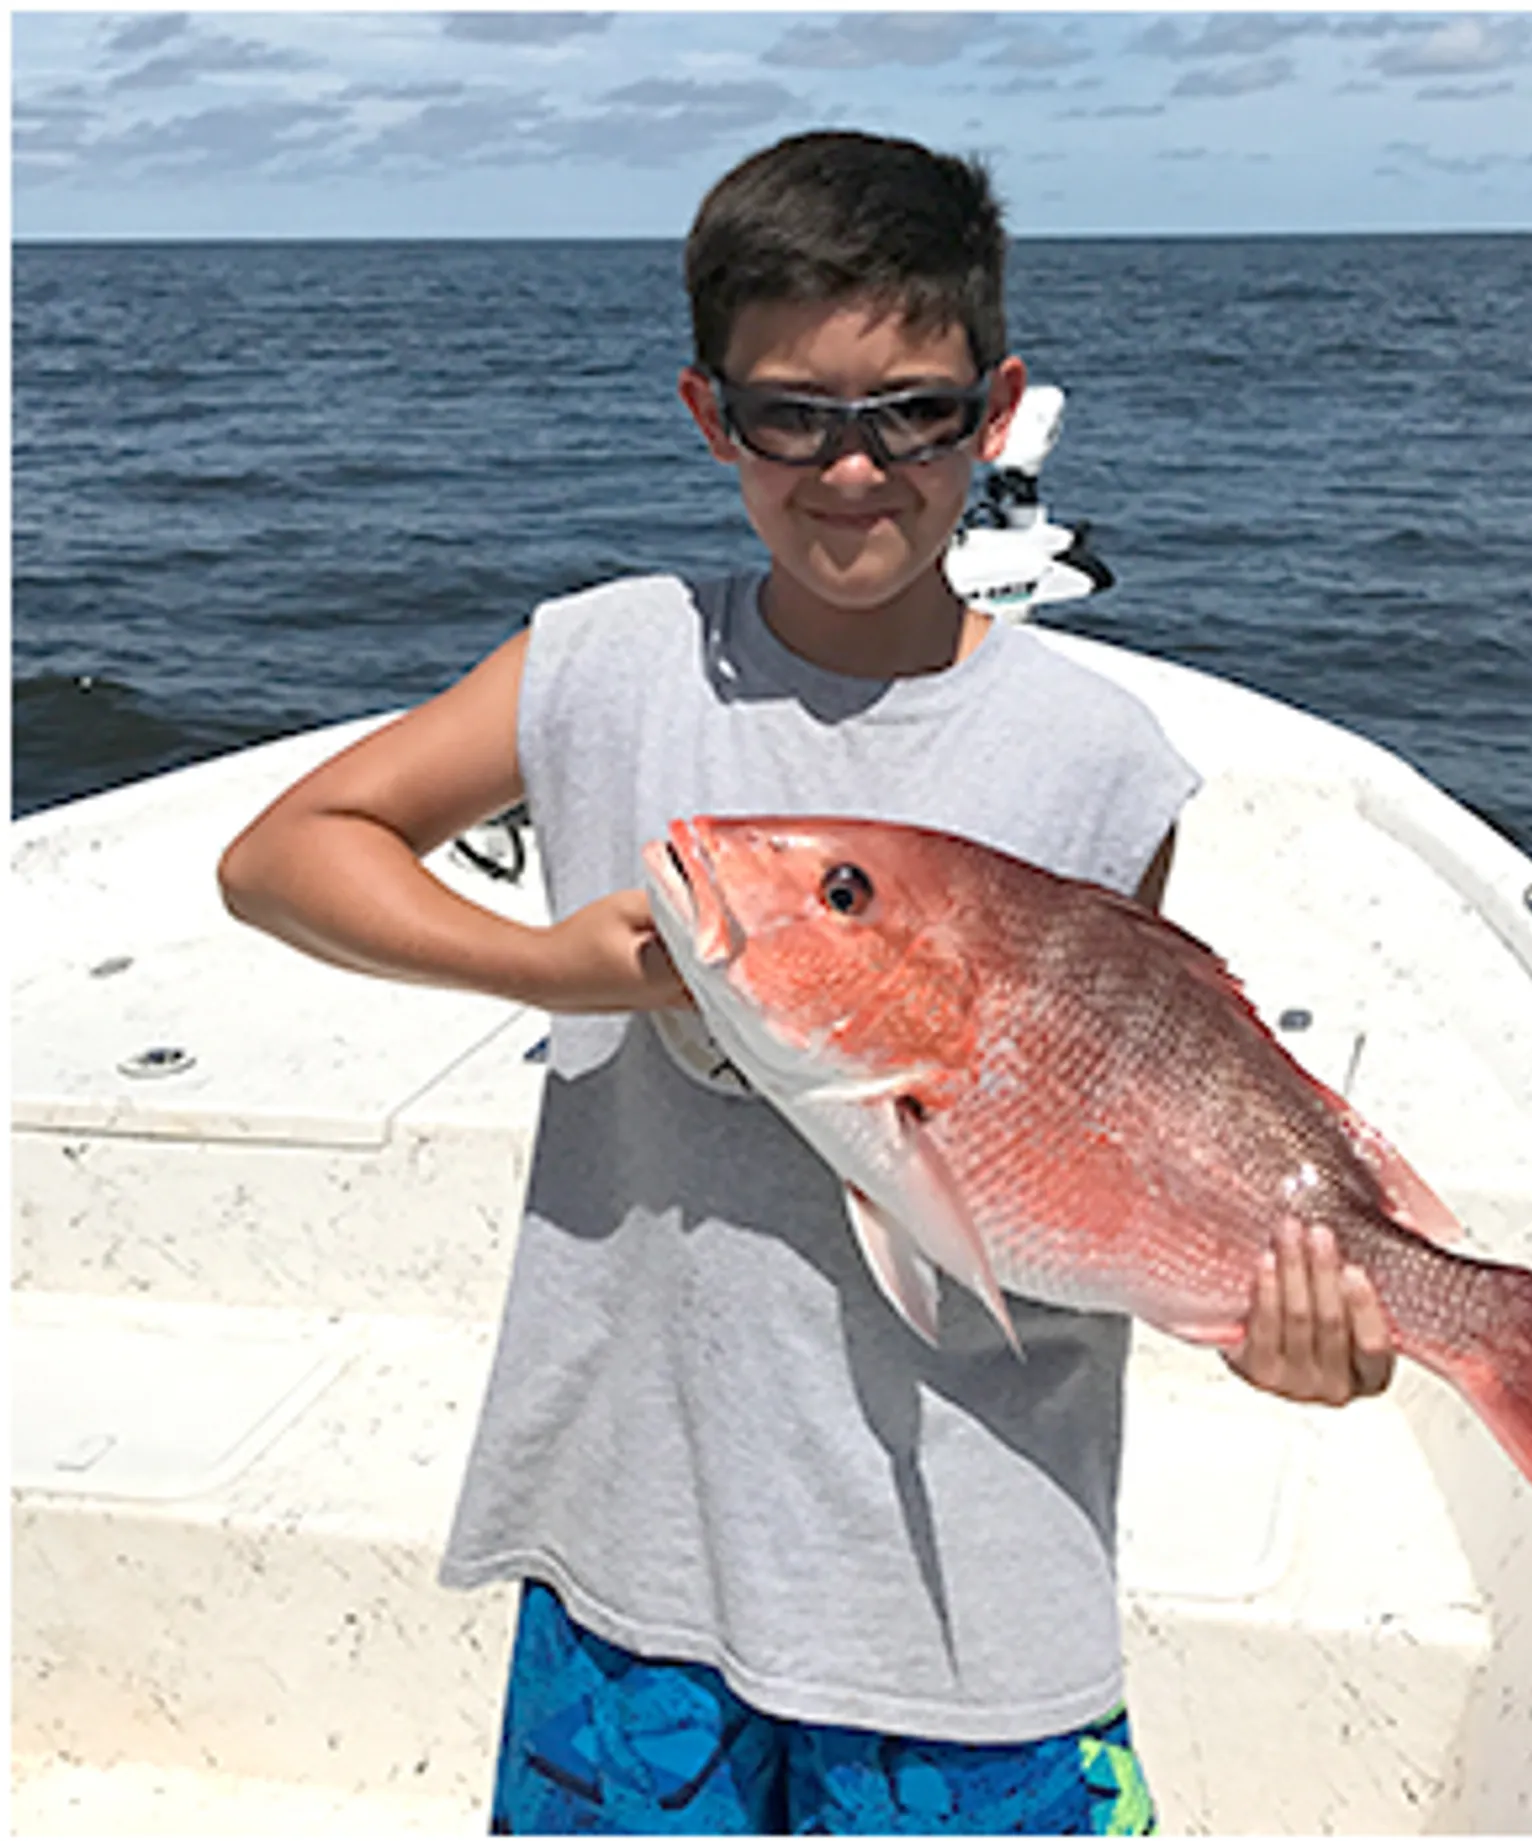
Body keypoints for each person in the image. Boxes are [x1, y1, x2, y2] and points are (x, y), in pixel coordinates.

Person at [219, 129, 1395, 1837]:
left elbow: (1105, 1147)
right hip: (635, 1553)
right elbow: (284, 856)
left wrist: (1286, 1331)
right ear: (713, 417)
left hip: (968, 1602)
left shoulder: (1100, 761)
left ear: (994, 413)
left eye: (914, 413)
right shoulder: (605, 665)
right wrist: (554, 964)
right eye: (794, 416)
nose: (856, 470)